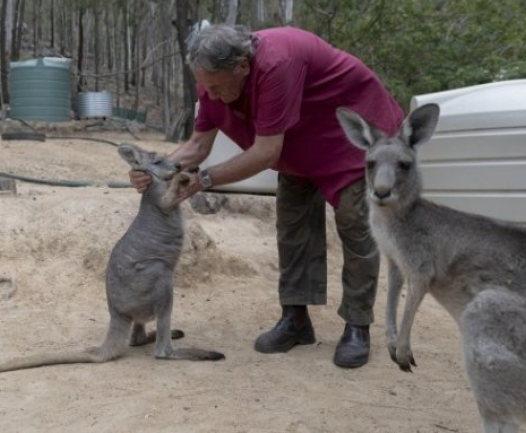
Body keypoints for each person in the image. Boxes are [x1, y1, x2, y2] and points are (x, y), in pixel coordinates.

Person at [129, 23, 404, 368]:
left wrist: (204, 180)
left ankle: (357, 325)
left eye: (214, 86)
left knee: (354, 222)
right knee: (292, 223)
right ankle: (296, 319)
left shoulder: (277, 65)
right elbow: (198, 145)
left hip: (348, 134)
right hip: (299, 138)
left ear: (242, 67)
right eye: (203, 85)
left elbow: (265, 153)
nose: (209, 95)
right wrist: (157, 171)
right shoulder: (212, 81)